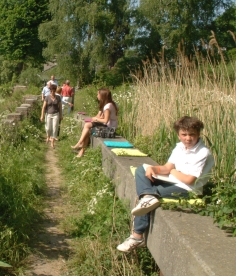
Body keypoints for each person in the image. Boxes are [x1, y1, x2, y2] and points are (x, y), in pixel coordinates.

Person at [117, 116, 214, 252]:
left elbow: (189, 180)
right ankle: (147, 197)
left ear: (198, 134)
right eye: (184, 134)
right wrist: (154, 169)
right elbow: (167, 167)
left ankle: (137, 235)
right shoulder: (180, 147)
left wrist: (172, 171)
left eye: (192, 134)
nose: (188, 138)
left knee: (150, 194)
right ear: (178, 135)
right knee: (141, 170)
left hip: (187, 189)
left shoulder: (202, 152)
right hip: (173, 180)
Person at [71, 88, 118, 157]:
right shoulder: (111, 104)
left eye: (98, 94)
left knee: (87, 126)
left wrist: (96, 119)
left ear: (102, 95)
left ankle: (80, 144)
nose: (97, 96)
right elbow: (105, 116)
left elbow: (106, 120)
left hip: (109, 128)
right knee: (88, 130)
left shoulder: (107, 106)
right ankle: (81, 150)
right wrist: (96, 119)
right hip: (111, 126)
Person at [40, 84, 62, 149]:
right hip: (48, 114)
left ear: (55, 91)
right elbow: (43, 107)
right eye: (51, 91)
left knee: (55, 128)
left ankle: (52, 142)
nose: (52, 92)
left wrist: (61, 115)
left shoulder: (58, 97)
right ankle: (48, 136)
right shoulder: (47, 97)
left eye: (54, 91)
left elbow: (60, 107)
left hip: (56, 114)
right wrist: (42, 115)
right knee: (48, 128)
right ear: (50, 91)